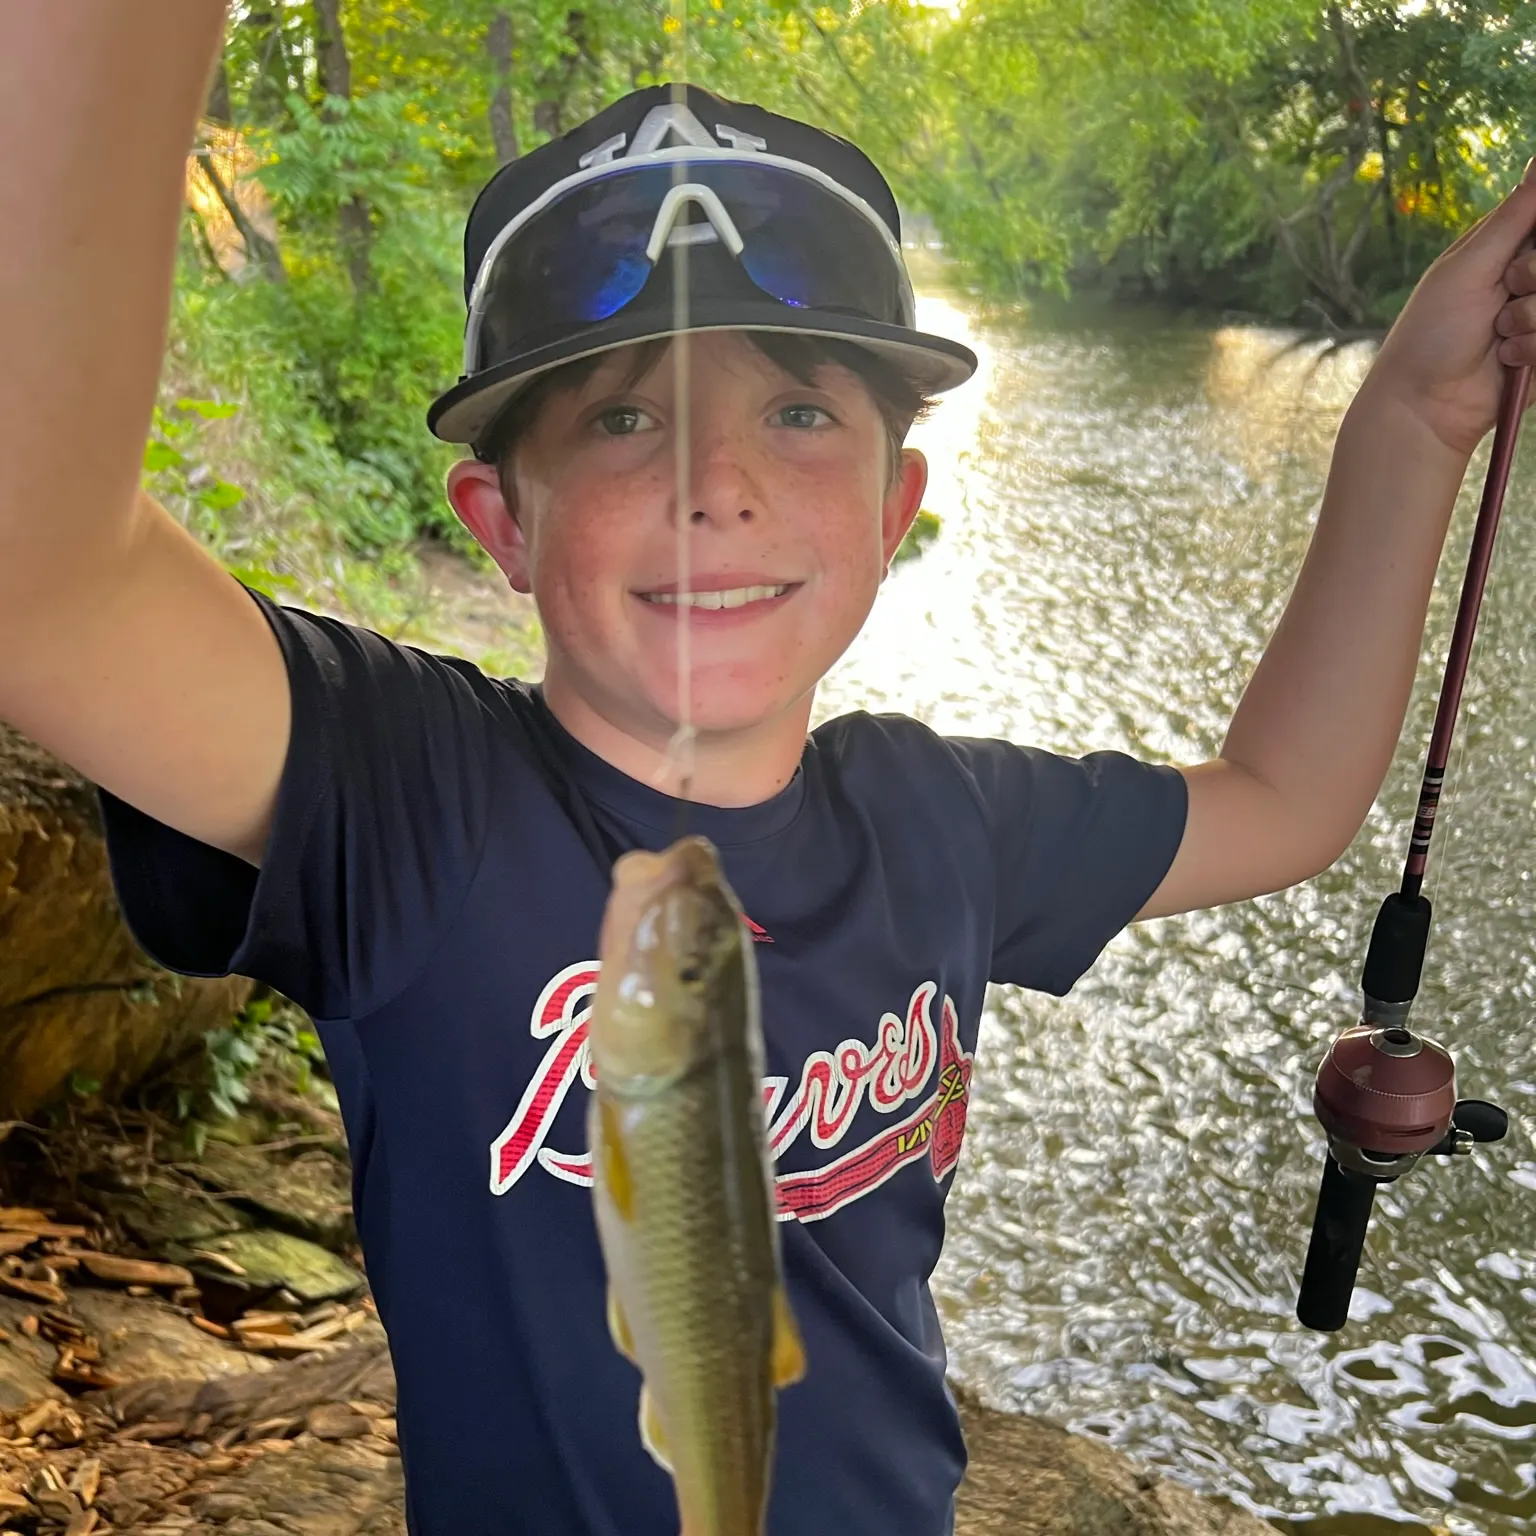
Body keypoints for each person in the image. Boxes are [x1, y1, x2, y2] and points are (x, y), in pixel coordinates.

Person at [3, 6, 1536, 1534]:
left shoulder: (941, 819)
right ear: (502, 523)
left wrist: (1410, 416)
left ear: (895, 507)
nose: (714, 486)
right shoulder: (403, 791)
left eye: (799, 410)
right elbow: (42, 577)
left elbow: (1283, 803)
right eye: (622, 417)